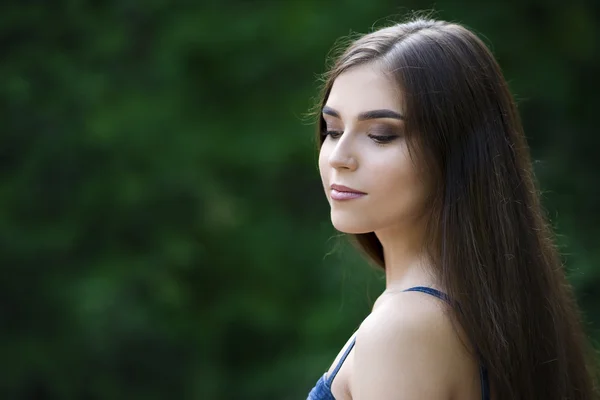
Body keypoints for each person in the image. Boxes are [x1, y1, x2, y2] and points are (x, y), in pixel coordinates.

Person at [306, 16, 599, 400]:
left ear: (454, 152)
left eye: (381, 135)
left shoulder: (403, 331)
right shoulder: (501, 310)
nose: (339, 157)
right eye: (333, 129)